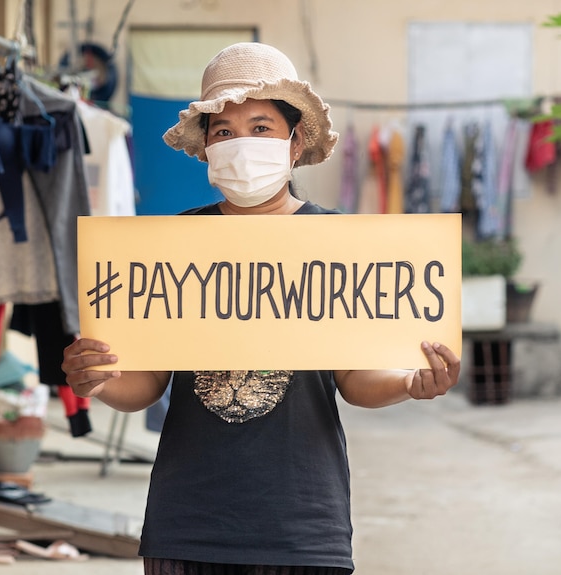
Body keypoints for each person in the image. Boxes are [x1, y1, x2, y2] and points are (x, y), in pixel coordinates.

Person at [62, 41, 461, 575]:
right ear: (205, 146)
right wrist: (96, 381)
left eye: (260, 127)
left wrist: (411, 384)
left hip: (303, 524)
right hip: (188, 524)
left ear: (294, 144)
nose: (241, 144)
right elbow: (147, 382)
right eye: (223, 132)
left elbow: (354, 378)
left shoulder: (341, 243)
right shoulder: (169, 245)